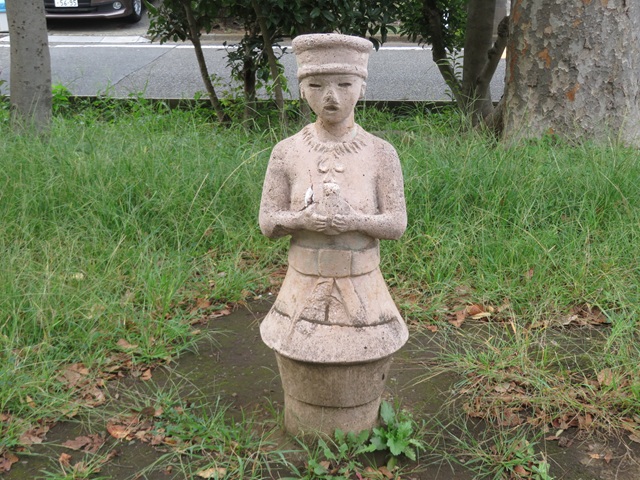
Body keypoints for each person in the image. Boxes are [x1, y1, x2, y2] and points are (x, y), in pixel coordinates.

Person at [259, 33, 408, 365]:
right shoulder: (286, 152)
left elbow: (396, 224)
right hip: (302, 282)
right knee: (297, 358)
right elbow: (268, 223)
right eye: (316, 86)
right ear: (301, 89)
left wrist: (355, 221)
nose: (331, 97)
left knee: (368, 359)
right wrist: (301, 220)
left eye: (344, 84)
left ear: (362, 88)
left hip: (364, 285)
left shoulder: (381, 153)